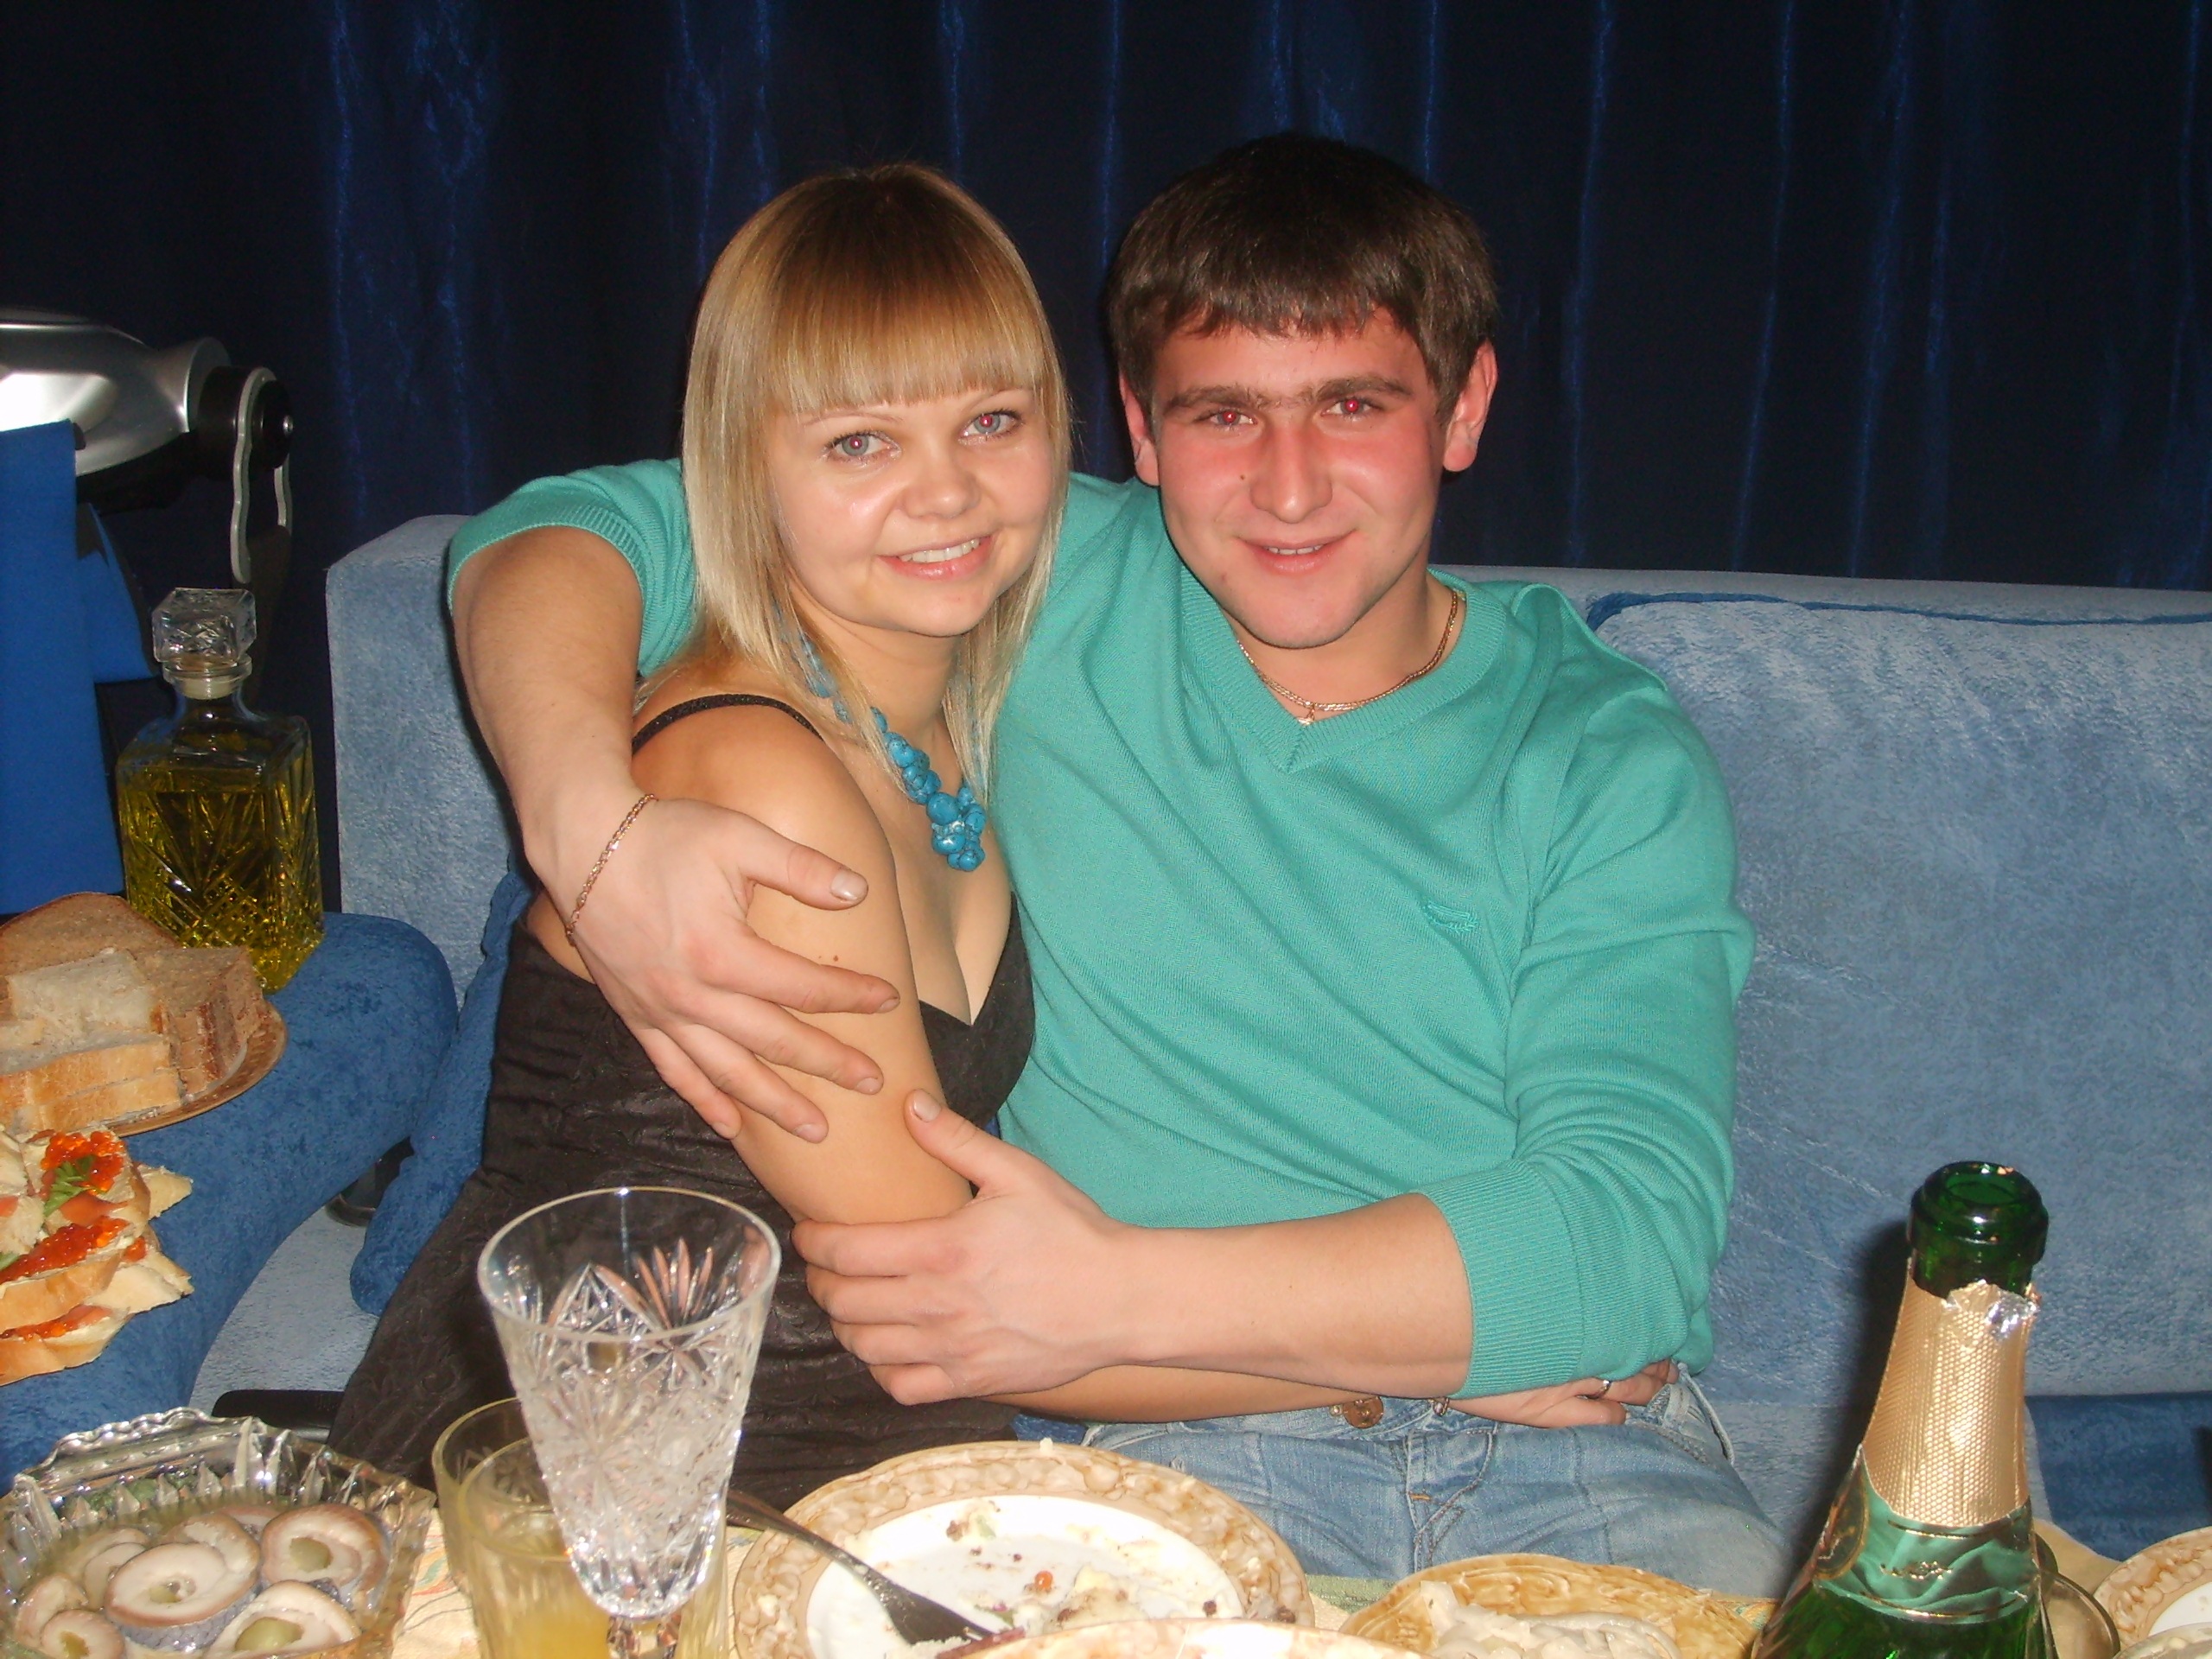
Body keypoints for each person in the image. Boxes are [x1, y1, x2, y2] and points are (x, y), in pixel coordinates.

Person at [429, 136, 1789, 1592]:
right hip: (1193, 1444)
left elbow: (1629, 1235)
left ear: (1463, 409)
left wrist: (1123, 1293)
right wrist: (589, 831)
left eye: (1353, 405)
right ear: (1140, 427)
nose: (1287, 489)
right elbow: (567, 531)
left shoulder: (1599, 748)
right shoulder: (1018, 570)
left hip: (1571, 1438)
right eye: (1224, 415)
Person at [327, 165, 1064, 1502]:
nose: (948, 492)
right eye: (860, 443)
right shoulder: (758, 780)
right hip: (595, 1478)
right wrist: (1374, 1343)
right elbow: (944, 1286)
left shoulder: (949, 721)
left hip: (841, 1425)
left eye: (991, 420)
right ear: (736, 468)